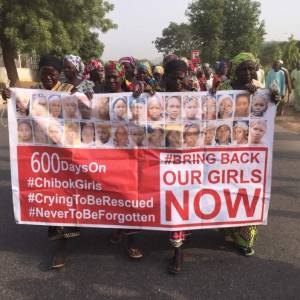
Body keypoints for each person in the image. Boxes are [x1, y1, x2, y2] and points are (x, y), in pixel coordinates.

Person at [218, 52, 280, 257]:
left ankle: (245, 236)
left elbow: (269, 114)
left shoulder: (262, 88)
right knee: (228, 189)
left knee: (250, 190)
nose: (247, 73)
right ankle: (229, 229)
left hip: (251, 155)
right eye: (242, 69)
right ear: (234, 70)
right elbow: (216, 111)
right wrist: (241, 92)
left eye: (250, 68)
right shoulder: (225, 88)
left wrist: (272, 99)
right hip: (228, 151)